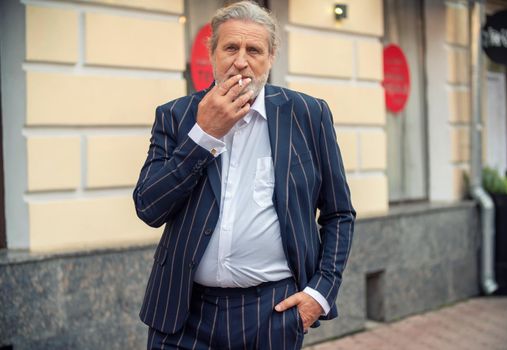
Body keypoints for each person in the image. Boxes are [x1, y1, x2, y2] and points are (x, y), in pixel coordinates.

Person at [133, 1, 356, 349]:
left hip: (272, 314)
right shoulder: (176, 117)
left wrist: (321, 292)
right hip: (183, 314)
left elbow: (339, 214)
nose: (241, 60)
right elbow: (149, 207)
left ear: (271, 57)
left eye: (254, 50)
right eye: (231, 48)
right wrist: (204, 135)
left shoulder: (308, 115)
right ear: (212, 54)